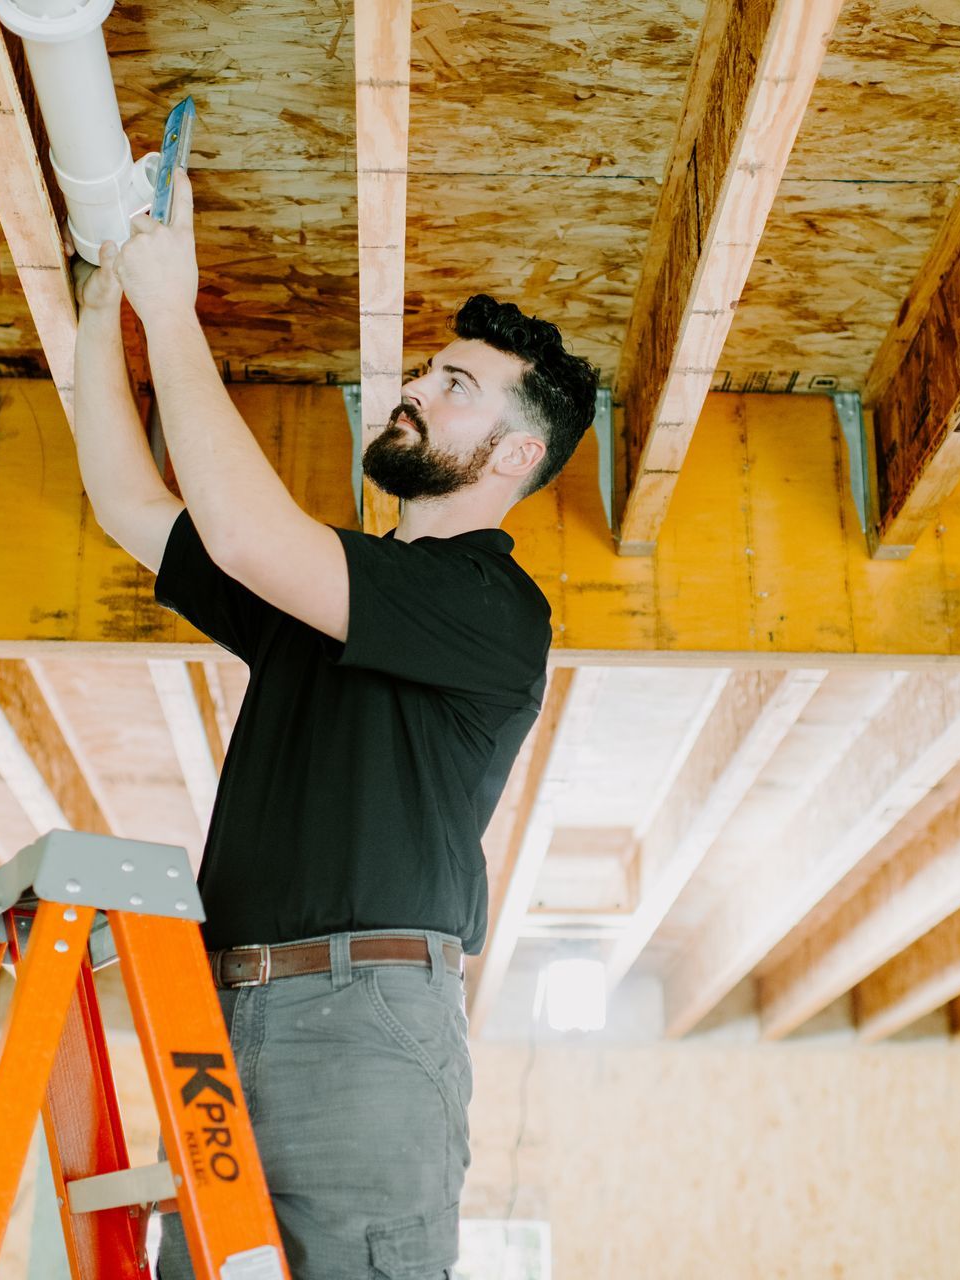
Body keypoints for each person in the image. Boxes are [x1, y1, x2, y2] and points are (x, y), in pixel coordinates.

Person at [69, 168, 597, 1280]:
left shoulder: (489, 606)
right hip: (230, 1009)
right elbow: (129, 502)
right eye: (427, 370)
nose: (415, 386)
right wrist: (99, 298)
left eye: (452, 384)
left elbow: (254, 538)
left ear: (512, 455)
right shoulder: (330, 600)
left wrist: (171, 309)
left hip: (367, 1025)